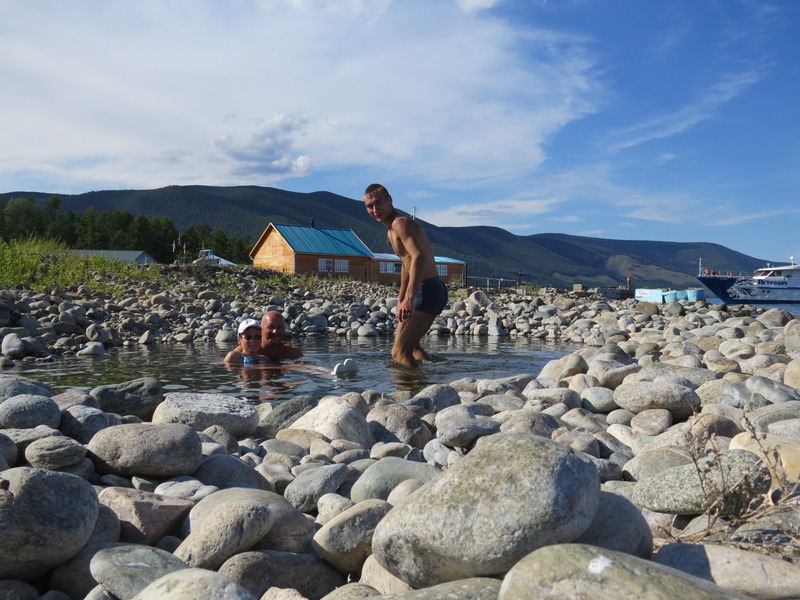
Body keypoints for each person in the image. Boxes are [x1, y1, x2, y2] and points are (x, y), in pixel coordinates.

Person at [363, 183, 448, 367]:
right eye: (370, 206)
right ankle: (431, 380)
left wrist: (409, 299)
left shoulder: (399, 223)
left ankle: (411, 393)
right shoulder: (391, 230)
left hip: (426, 289)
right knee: (413, 347)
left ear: (390, 200)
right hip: (432, 288)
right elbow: (406, 263)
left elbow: (418, 257)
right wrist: (401, 297)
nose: (375, 209)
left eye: (379, 203)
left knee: (398, 353)